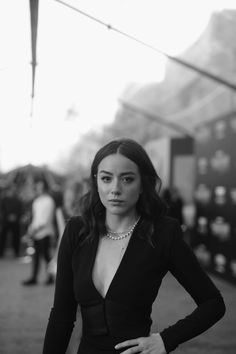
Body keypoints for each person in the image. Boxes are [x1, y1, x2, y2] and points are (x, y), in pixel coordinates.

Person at [43, 138, 225, 354]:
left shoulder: (163, 233)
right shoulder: (77, 230)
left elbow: (213, 303)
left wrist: (166, 340)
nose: (115, 189)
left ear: (143, 184)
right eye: (106, 179)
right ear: (96, 182)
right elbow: (62, 317)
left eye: (127, 179)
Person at [22, 178, 56, 286]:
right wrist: (30, 230)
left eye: (41, 187)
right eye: (37, 187)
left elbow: (45, 220)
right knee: (36, 256)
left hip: (45, 232)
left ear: (45, 188)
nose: (38, 189)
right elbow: (35, 218)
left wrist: (33, 231)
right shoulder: (36, 201)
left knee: (46, 256)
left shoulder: (49, 200)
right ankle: (34, 277)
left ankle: (50, 276)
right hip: (35, 233)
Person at [0, 184, 23, 258]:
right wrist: (7, 217)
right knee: (3, 237)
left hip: (15, 221)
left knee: (16, 237)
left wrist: (16, 216)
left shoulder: (18, 200)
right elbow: (2, 210)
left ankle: (16, 252)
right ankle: (1, 252)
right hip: (6, 221)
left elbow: (21, 210)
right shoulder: (3, 199)